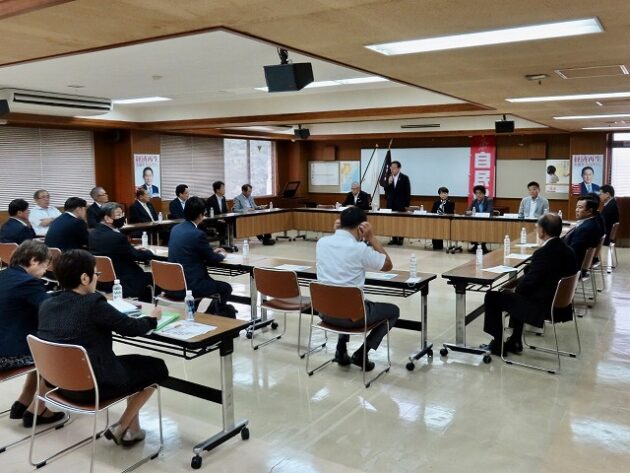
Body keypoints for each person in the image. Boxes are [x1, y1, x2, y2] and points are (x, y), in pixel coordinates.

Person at [38, 250, 168, 446]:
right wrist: (152, 319)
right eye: (96, 274)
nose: (97, 278)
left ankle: (133, 430)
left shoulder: (47, 303)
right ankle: (122, 426)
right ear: (84, 278)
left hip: (61, 385)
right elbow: (131, 328)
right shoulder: (93, 303)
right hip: (94, 387)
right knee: (156, 367)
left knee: (136, 366)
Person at [316, 207, 399, 371]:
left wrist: (339, 233)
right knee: (392, 311)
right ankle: (362, 353)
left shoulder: (321, 243)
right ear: (362, 227)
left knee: (341, 295)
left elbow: (338, 254)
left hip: (325, 312)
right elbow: (388, 265)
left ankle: (341, 349)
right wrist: (371, 238)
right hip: (352, 317)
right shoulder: (360, 249)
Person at [481, 214, 577, 356]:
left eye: (537, 227)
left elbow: (528, 285)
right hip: (561, 304)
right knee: (517, 295)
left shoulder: (543, 253)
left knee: (493, 297)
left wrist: (515, 288)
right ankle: (515, 340)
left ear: (542, 231)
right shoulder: (569, 250)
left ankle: (497, 345)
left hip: (543, 307)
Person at [0, 241, 66, 428]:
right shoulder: (29, 282)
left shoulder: (4, 275)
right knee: (59, 351)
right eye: (45, 265)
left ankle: (23, 401)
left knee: (39, 345)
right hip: (6, 356)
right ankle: (38, 409)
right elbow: (51, 312)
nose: (45, 271)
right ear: (34, 260)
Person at [168, 196, 235, 316]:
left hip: (173, 284)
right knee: (226, 288)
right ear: (200, 215)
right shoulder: (197, 234)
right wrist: (222, 255)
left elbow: (193, 250)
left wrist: (208, 251)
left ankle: (206, 311)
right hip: (192, 285)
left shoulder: (175, 229)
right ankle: (214, 314)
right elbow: (212, 258)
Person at [89, 202, 154, 302]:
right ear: (107, 218)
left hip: (101, 281)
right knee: (150, 276)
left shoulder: (92, 234)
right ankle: (146, 306)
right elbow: (136, 256)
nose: (122, 217)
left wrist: (130, 249)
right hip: (122, 281)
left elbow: (119, 251)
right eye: (118, 215)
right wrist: (149, 252)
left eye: (122, 214)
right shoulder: (117, 237)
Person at [563, 193, 605, 267]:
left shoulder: (585, 229)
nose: (576, 210)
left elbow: (572, 252)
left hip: (571, 266)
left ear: (589, 211)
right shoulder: (592, 222)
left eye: (580, 207)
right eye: (576, 207)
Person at [383, 160, 411, 245]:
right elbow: (386, 190)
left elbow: (407, 192)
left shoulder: (404, 178)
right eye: (391, 168)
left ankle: (401, 239)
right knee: (392, 222)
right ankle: (394, 238)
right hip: (391, 204)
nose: (392, 170)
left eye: (394, 168)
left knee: (401, 222)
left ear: (398, 168)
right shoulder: (389, 177)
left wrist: (406, 205)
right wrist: (389, 183)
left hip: (401, 205)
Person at [467, 185, 494, 254]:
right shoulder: (474, 201)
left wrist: (476, 213)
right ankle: (476, 245)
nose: (478, 195)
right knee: (471, 226)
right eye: (476, 193)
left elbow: (489, 212)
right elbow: (468, 211)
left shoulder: (489, 200)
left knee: (483, 227)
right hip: (476, 222)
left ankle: (483, 246)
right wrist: (469, 212)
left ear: (484, 194)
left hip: (487, 222)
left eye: (480, 193)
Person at [205, 180, 229, 246]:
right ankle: (222, 243)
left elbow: (225, 212)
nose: (224, 189)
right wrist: (218, 219)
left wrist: (224, 218)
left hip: (223, 219)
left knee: (231, 221)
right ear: (217, 190)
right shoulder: (210, 199)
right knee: (221, 224)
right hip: (213, 220)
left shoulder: (223, 198)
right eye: (222, 188)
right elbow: (209, 214)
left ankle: (229, 240)